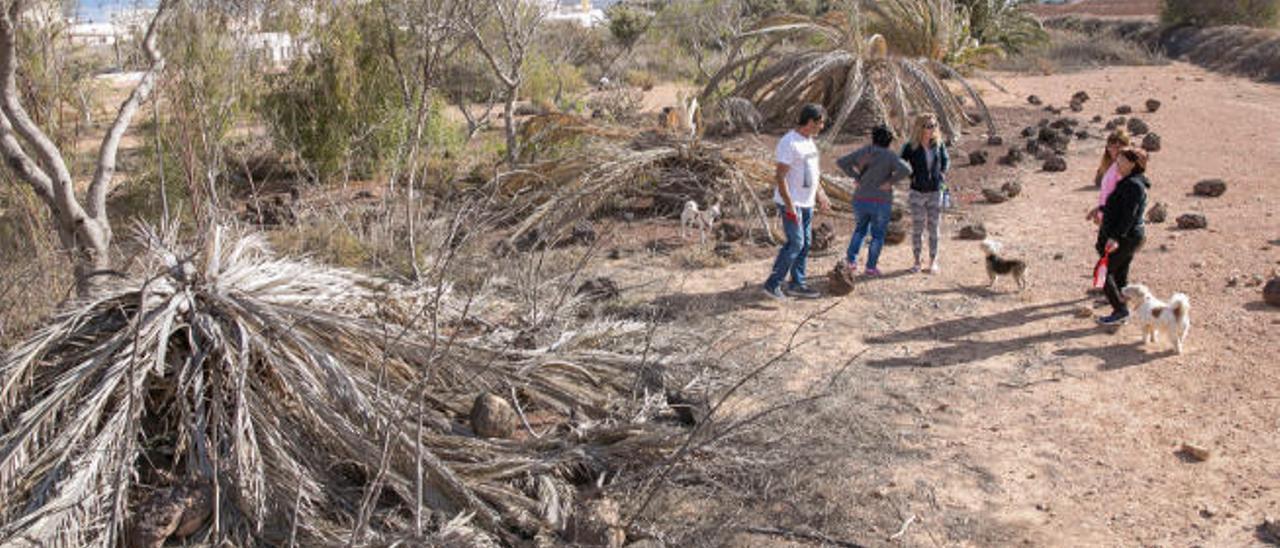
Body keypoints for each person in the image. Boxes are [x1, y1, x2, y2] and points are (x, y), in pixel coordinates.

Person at [763, 103, 831, 300]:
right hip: (791, 203)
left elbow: (813, 174)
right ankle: (772, 284)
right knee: (796, 243)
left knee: (805, 243)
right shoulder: (789, 142)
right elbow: (780, 176)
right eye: (820, 123)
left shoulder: (809, 141)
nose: (822, 127)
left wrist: (821, 194)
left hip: (807, 202)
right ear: (810, 122)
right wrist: (790, 204)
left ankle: (797, 284)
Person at [836, 125, 912, 276]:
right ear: (889, 140)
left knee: (860, 230)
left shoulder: (864, 151)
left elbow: (841, 162)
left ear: (873, 138)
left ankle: (851, 262)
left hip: (860, 198)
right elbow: (907, 170)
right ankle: (870, 267)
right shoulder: (890, 156)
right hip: (881, 201)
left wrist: (856, 176)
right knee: (877, 235)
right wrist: (890, 182)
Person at [1096, 147, 1151, 326]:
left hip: (1126, 237)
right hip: (1127, 236)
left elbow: (1129, 215)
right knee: (1119, 273)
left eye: (1122, 162)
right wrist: (1100, 210)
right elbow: (1117, 208)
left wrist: (1115, 237)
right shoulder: (1130, 182)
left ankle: (1120, 310)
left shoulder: (1133, 185)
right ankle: (1122, 308)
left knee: (1103, 271)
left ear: (1133, 164)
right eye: (1117, 161)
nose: (1117, 165)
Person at [900, 113, 950, 274]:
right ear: (920, 127)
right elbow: (900, 162)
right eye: (928, 126)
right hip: (917, 192)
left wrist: (942, 173)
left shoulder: (939, 144)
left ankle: (933, 261)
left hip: (935, 191)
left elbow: (946, 160)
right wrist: (910, 174)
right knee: (917, 228)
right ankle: (916, 261)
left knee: (934, 228)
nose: (932, 129)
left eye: (934, 125)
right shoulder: (910, 146)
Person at [1086, 129, 1132, 224]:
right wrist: (1099, 211)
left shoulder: (1123, 169)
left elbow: (1123, 197)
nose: (1114, 151)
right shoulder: (1113, 166)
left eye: (1118, 147)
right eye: (1110, 147)